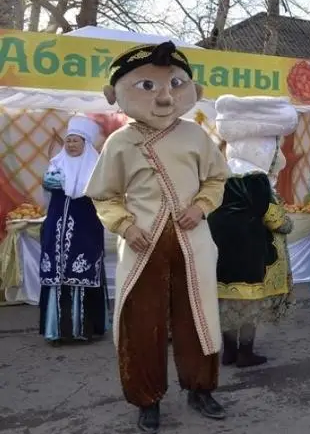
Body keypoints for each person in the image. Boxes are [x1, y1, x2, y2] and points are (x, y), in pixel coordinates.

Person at [85, 42, 230, 433]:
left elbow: (217, 179)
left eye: (175, 84)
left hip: (192, 241)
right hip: (141, 243)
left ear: (191, 90)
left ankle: (201, 388)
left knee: (197, 318)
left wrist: (200, 206)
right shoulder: (119, 143)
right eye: (148, 85)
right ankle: (147, 398)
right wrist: (125, 226)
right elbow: (104, 195)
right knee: (141, 323)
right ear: (117, 93)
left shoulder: (197, 137)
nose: (165, 96)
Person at [208, 95, 298, 368]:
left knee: (226, 302)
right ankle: (246, 352)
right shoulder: (255, 178)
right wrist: (287, 223)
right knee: (248, 305)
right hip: (249, 253)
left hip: (220, 250)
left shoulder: (221, 172)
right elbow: (270, 215)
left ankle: (229, 351)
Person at [39, 116, 108, 344]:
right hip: (55, 230)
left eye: (76, 141)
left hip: (86, 230)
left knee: (82, 273)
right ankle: (56, 331)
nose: (71, 145)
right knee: (56, 275)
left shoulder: (96, 168)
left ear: (85, 144)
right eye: (68, 141)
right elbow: (47, 195)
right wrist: (51, 182)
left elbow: (105, 196)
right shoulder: (56, 166)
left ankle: (85, 329)